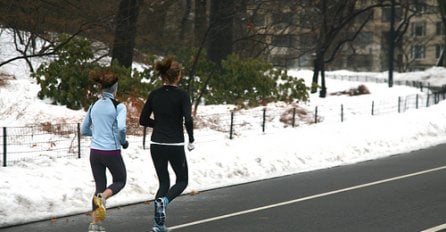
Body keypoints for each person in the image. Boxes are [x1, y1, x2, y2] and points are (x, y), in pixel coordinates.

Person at [139, 57, 195, 232]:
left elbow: (143, 119)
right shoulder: (183, 96)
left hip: (156, 143)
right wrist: (191, 139)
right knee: (182, 180)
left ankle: (158, 224)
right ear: (177, 76)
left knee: (163, 182)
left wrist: (160, 124)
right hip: (175, 144)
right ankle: (164, 201)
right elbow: (188, 119)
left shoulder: (154, 94)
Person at [81, 68, 129, 232]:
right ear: (115, 88)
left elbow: (83, 130)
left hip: (94, 152)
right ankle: (103, 198)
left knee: (99, 186)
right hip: (111, 151)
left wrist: (97, 134)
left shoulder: (93, 105)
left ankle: (94, 225)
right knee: (120, 180)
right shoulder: (119, 106)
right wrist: (123, 142)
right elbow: (122, 128)